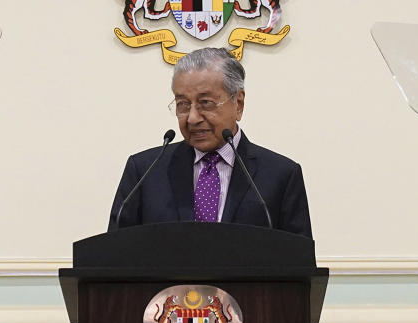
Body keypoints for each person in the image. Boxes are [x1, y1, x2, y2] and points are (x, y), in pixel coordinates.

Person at [108, 47, 312, 238]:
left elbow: (299, 267)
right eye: (183, 104)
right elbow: (113, 258)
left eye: (205, 103)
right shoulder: (144, 172)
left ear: (238, 104)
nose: (192, 118)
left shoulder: (281, 175)